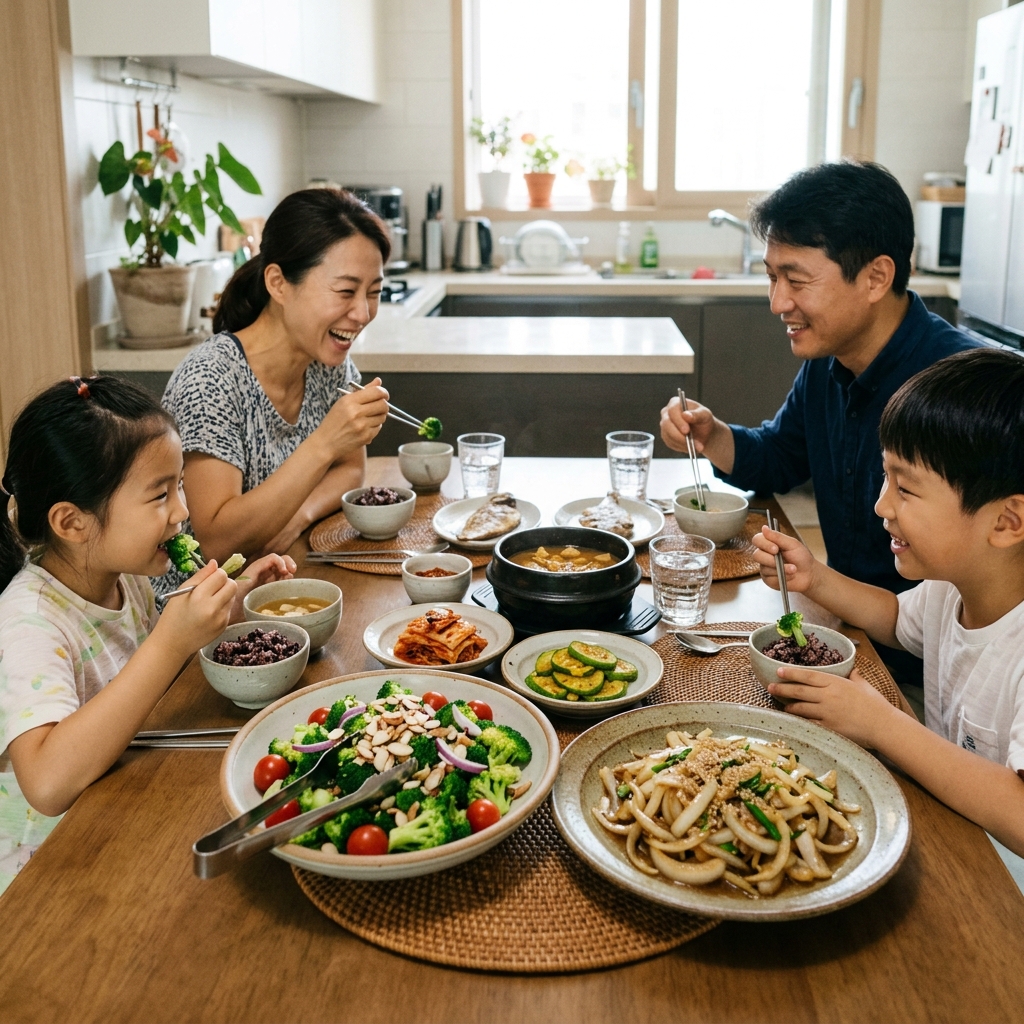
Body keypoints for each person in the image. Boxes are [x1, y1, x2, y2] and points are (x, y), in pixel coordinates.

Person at [659, 161, 980, 693]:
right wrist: (712, 435)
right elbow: (782, 456)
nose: (777, 302)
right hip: (848, 627)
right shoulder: (830, 359)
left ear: (876, 277)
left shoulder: (957, 387)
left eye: (797, 280)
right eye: (771, 276)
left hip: (930, 672)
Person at [0, 376, 295, 891]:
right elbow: (47, 784)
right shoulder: (28, 620)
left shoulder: (127, 577)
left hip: (124, 806)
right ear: (72, 522)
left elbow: (148, 676)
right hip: (47, 865)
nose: (182, 511)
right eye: (160, 494)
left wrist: (230, 600)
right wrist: (168, 643)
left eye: (179, 484)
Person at [750, 349, 1024, 857]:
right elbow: (897, 619)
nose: (882, 505)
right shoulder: (954, 584)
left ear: (1007, 522)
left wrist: (881, 723)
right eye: (886, 478)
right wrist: (815, 578)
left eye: (906, 488)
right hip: (948, 830)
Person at [159, 187, 393, 595]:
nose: (362, 314)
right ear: (279, 283)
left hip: (281, 584)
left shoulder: (326, 360)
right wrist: (324, 443)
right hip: (198, 618)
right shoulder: (210, 379)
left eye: (373, 293)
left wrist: (297, 515)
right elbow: (217, 539)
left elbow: (351, 469)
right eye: (345, 291)